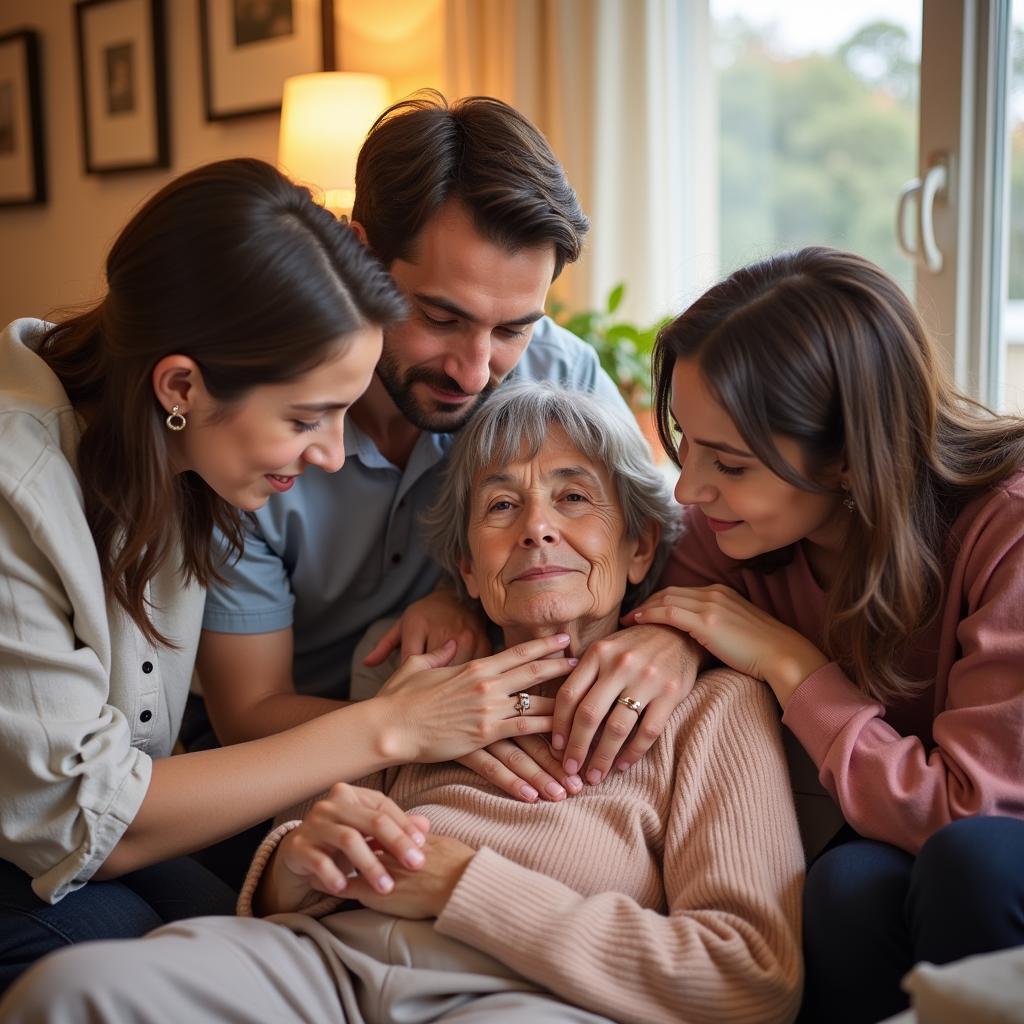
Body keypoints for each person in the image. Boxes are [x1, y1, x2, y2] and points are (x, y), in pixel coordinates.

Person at [0, 385, 805, 1024]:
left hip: (529, 996)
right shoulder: (424, 667)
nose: (535, 530)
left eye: (573, 498)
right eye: (501, 506)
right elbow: (305, 858)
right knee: (70, 993)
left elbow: (748, 978)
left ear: (638, 549)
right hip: (324, 968)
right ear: (465, 563)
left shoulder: (715, 707)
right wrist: (292, 863)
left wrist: (464, 886)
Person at [0, 157, 577, 994]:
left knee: (266, 936)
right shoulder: (20, 487)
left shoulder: (168, 441)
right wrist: (396, 728)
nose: (333, 455)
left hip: (115, 835)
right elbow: (88, 819)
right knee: (145, 961)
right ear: (182, 386)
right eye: (308, 418)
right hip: (42, 851)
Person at [195, 92, 704, 834]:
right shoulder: (258, 423)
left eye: (512, 328)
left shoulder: (559, 379)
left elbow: (657, 543)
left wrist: (673, 637)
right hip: (284, 776)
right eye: (441, 318)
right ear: (358, 253)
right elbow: (247, 712)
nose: (474, 371)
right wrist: (433, 731)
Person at [627, 246, 1024, 1023]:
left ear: (846, 460)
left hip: (991, 841)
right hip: (925, 840)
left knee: (969, 866)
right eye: (686, 441)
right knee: (842, 891)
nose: (690, 488)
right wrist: (677, 637)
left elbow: (970, 811)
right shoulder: (733, 526)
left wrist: (790, 665)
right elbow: (674, 592)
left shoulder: (1005, 528)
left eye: (731, 464)